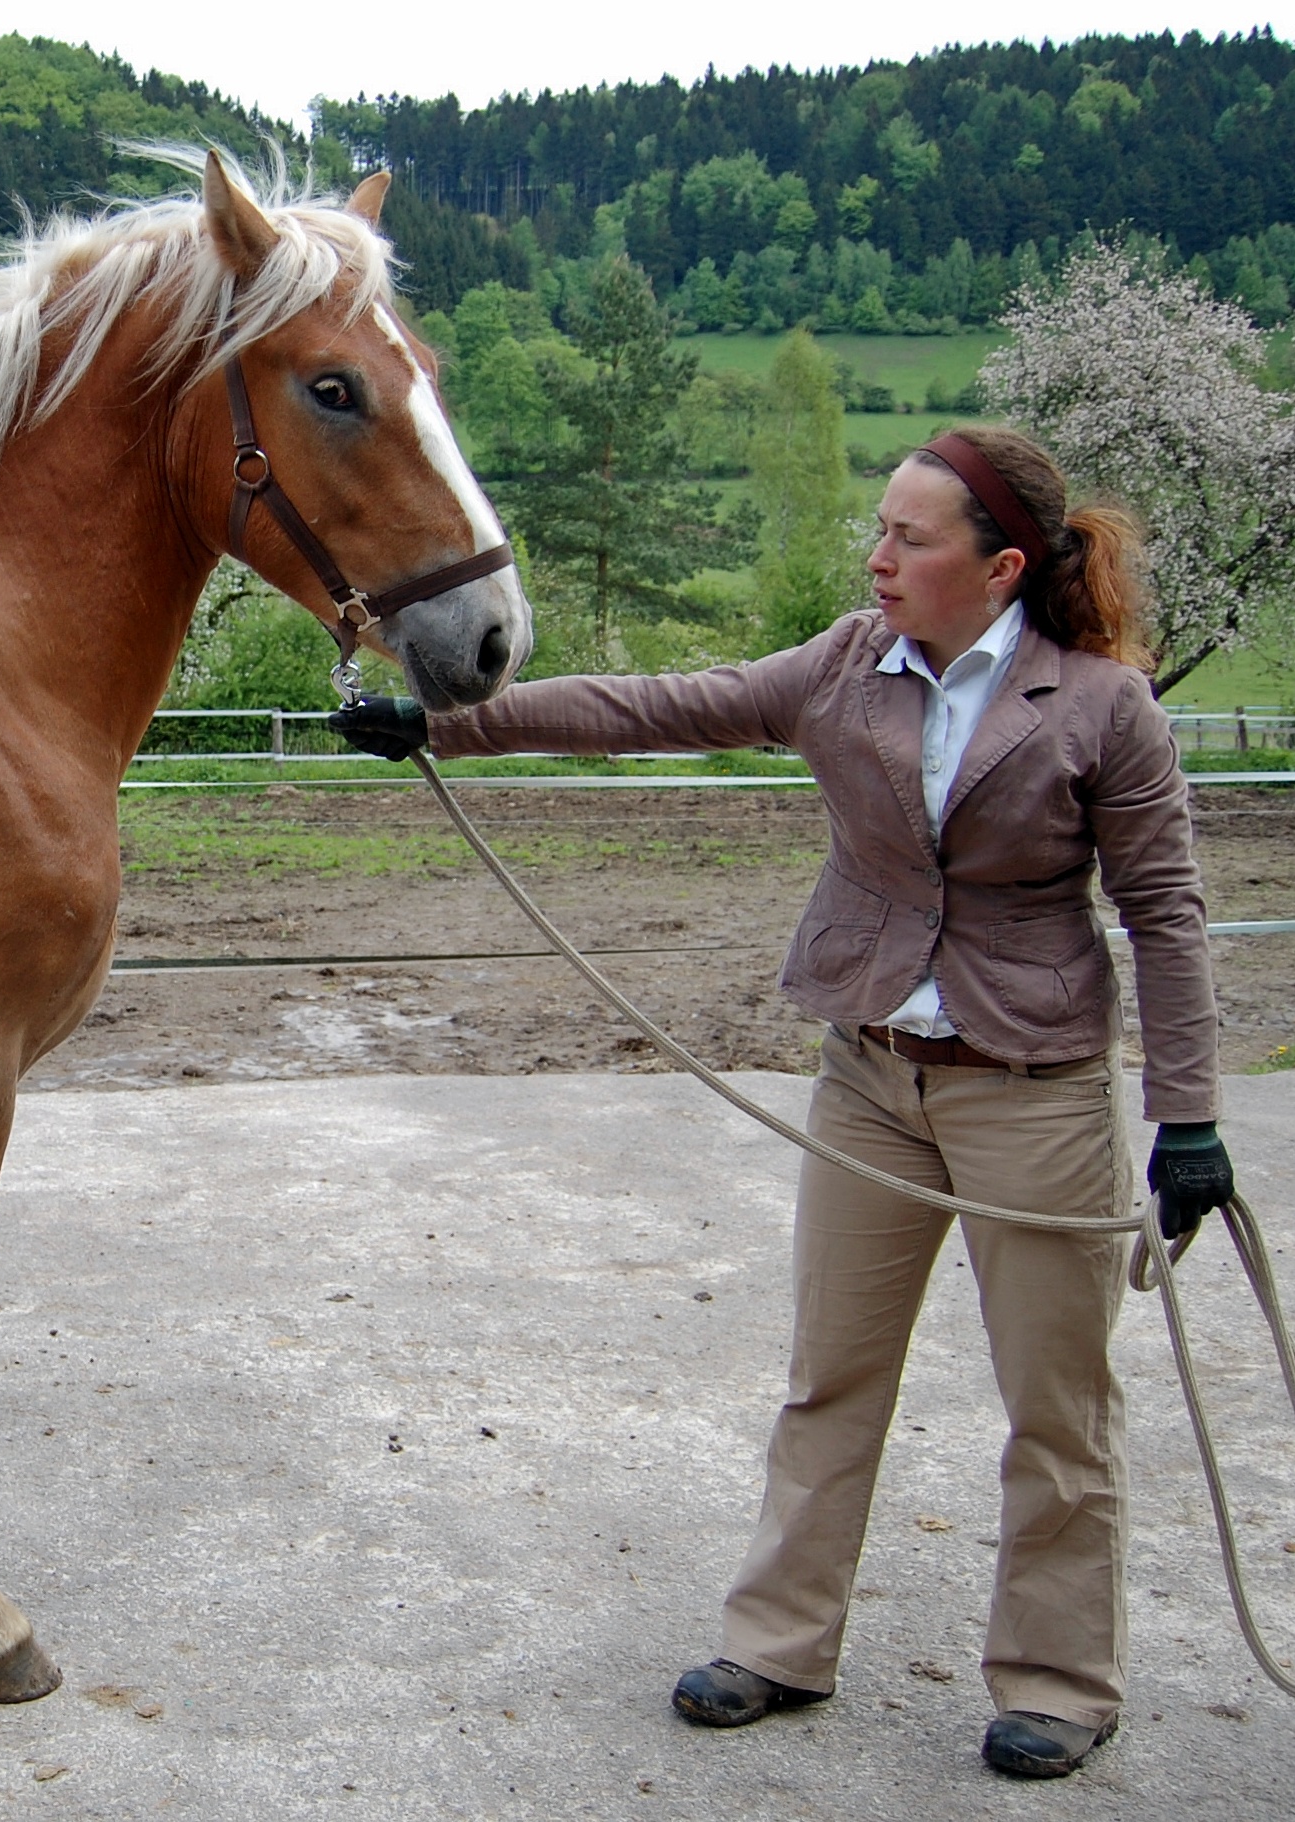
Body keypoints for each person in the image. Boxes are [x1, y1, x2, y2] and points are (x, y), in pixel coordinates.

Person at [332, 426, 1239, 1779]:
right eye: (876, 529)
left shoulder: (1103, 704)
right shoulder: (840, 661)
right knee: (830, 1378)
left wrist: (1187, 1115)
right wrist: (452, 722)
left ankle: (1055, 1677)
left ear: (996, 566)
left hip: (1032, 1096)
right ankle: (779, 1642)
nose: (875, 559)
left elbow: (1163, 915)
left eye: (908, 539)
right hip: (867, 1078)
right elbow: (661, 706)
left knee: (1056, 1406)